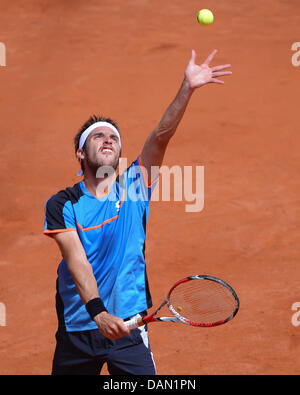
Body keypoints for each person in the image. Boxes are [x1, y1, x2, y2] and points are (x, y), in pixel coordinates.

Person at [43, 49, 232, 375]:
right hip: (79, 327)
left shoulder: (135, 185)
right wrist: (99, 313)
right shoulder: (63, 204)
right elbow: (78, 263)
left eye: (114, 137)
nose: (108, 139)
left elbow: (160, 136)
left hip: (129, 325)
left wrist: (187, 88)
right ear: (80, 153)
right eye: (98, 136)